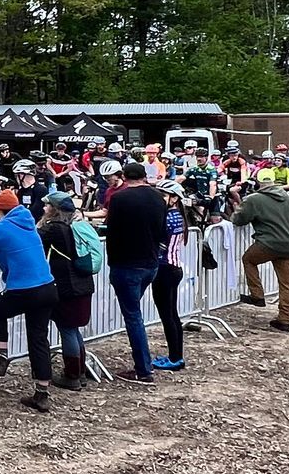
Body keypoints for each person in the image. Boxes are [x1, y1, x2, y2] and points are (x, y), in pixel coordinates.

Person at [0, 190, 61, 411]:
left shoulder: (1, 227)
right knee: (39, 338)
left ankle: (1, 358)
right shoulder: (28, 224)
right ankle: (42, 393)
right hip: (48, 287)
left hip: (25, 289)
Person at [103, 161, 167, 384]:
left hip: (126, 263)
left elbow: (112, 229)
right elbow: (162, 230)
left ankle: (143, 369)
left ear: (124, 176)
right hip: (150, 263)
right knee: (134, 314)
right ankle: (143, 366)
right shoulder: (158, 197)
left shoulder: (120, 199)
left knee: (133, 317)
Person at [227, 170, 289, 333]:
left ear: (258, 182)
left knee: (248, 259)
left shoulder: (254, 199)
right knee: (287, 284)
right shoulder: (288, 198)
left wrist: (236, 203)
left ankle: (257, 295)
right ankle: (284, 319)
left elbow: (239, 220)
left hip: (269, 243)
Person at [36, 189, 99, 385]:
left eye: (47, 205)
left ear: (54, 210)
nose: (44, 208)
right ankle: (79, 372)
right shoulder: (77, 225)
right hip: (83, 283)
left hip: (67, 286)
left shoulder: (53, 228)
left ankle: (72, 375)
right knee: (74, 329)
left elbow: (34, 239)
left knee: (67, 329)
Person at [149, 180, 191, 371]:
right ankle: (177, 356)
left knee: (168, 316)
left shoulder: (168, 217)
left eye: (163, 195)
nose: (159, 199)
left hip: (165, 269)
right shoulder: (178, 215)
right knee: (172, 315)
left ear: (174, 198)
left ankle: (175, 357)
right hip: (173, 268)